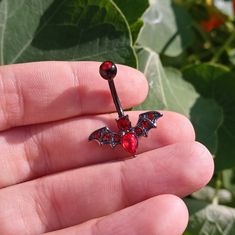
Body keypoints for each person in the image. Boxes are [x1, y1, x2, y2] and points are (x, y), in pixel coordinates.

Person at [0, 61, 214, 235]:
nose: (124, 121)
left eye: (125, 122)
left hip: (127, 140)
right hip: (126, 140)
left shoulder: (133, 127)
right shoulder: (120, 131)